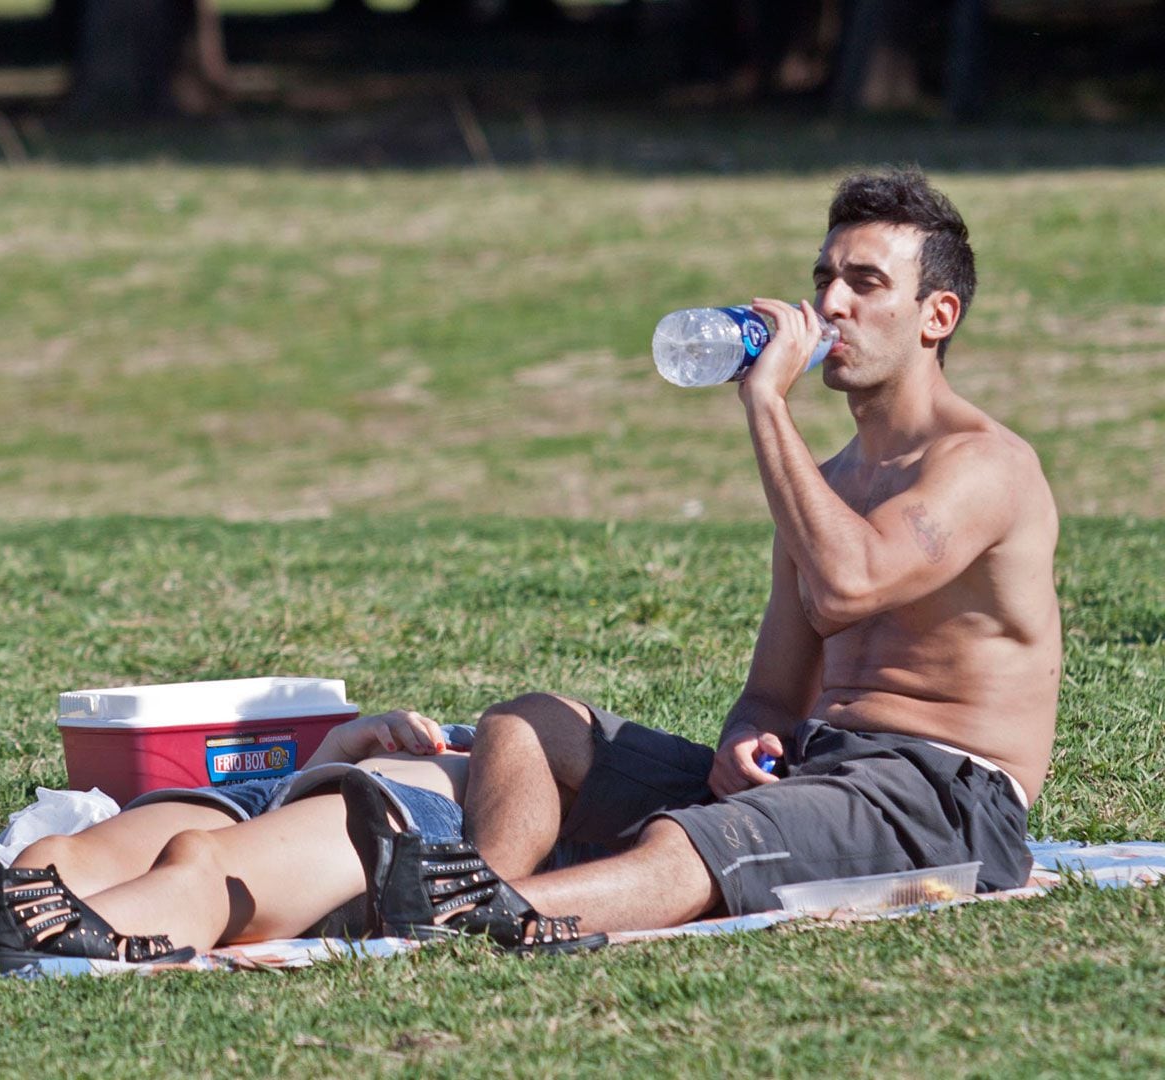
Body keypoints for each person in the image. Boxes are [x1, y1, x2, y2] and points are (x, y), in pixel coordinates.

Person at [354, 167, 1060, 942]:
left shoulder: (986, 465)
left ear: (937, 315)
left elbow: (846, 586)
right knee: (528, 726)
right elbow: (772, 694)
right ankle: (470, 893)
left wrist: (765, 403)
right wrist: (740, 742)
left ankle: (502, 913)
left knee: (694, 838)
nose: (830, 305)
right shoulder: (825, 484)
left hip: (943, 797)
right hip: (818, 767)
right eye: (824, 278)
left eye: (865, 283)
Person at [0, 708, 549, 978]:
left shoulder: (602, 770)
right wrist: (340, 746)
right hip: (298, 788)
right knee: (63, 862)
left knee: (195, 872)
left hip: (410, 812)